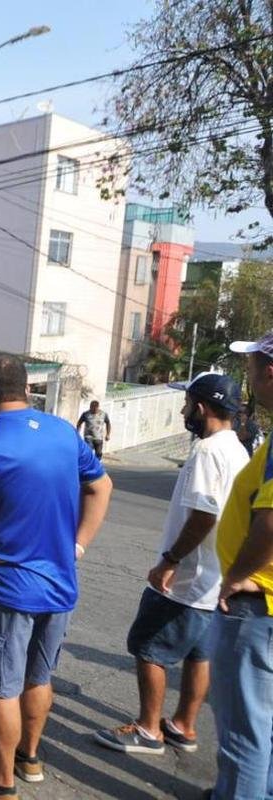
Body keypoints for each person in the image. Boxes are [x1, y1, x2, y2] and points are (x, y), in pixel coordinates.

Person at [0, 352, 112, 797]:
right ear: (27, 388)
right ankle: (30, 758)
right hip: (58, 582)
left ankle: (0, 783)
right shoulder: (63, 432)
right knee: (39, 677)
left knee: (2, 686)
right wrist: (77, 544)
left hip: (6, 587)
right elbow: (101, 486)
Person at [94, 372, 248, 756]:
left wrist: (170, 561)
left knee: (147, 645)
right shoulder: (238, 450)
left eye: (186, 405)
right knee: (199, 653)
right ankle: (183, 725)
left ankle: (149, 730)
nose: (183, 411)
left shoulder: (209, 452)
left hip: (188, 576)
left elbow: (204, 515)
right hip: (215, 576)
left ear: (201, 407)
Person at [209, 331, 273, 799]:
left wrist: (235, 578)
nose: (247, 379)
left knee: (243, 733)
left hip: (256, 607)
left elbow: (270, 522)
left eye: (250, 369)